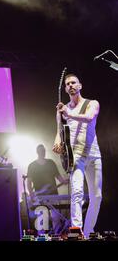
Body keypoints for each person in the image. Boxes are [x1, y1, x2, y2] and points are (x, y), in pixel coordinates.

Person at [53, 73, 102, 238]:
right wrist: (57, 142)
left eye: (73, 82)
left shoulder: (92, 103)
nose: (71, 85)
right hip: (76, 157)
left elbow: (89, 118)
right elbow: (59, 132)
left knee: (97, 196)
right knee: (77, 192)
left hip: (93, 154)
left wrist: (68, 113)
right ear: (66, 89)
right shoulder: (62, 110)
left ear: (80, 85)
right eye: (67, 84)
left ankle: (87, 232)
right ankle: (76, 231)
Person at [26, 144, 68, 234]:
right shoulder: (32, 165)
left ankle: (57, 235)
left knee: (56, 217)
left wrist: (64, 181)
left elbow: (58, 176)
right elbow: (28, 182)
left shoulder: (51, 163)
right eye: (41, 151)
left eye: (44, 151)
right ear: (37, 152)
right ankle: (41, 237)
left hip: (53, 195)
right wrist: (31, 194)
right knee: (42, 218)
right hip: (40, 196)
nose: (43, 152)